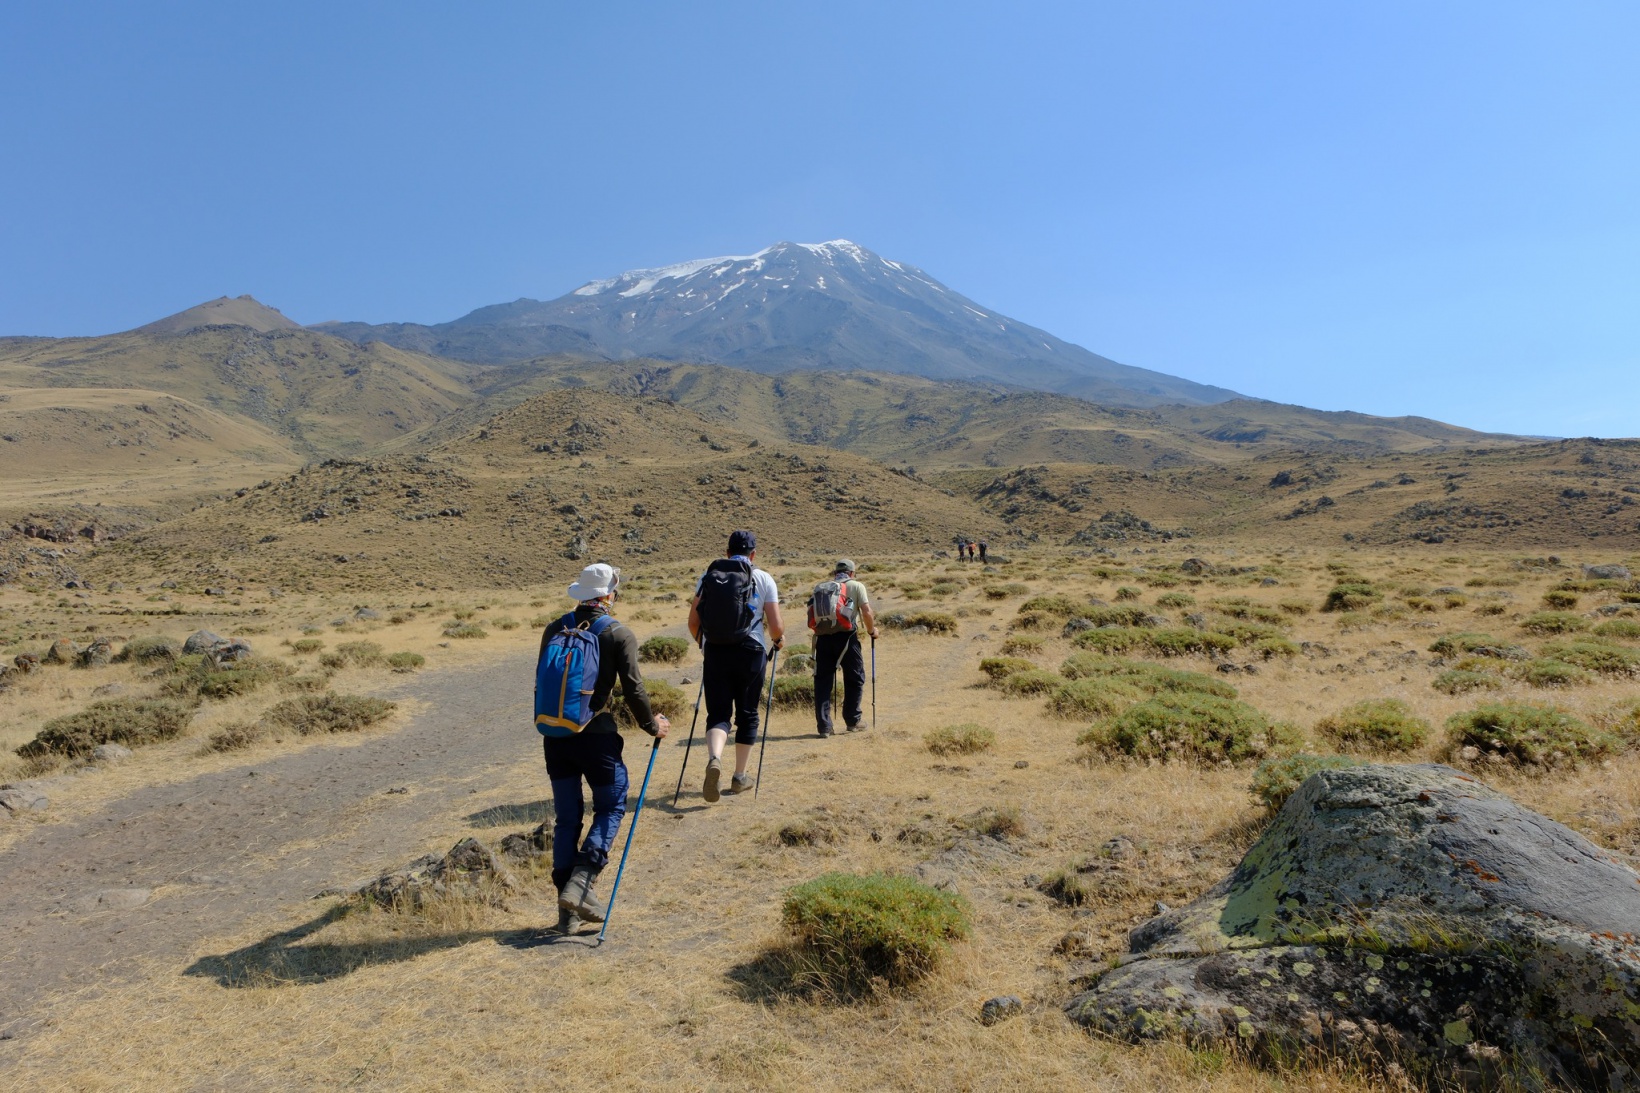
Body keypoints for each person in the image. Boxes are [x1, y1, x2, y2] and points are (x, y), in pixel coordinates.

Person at [536, 562, 670, 930]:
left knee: (567, 818)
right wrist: (651, 725)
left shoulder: (554, 627)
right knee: (611, 806)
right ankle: (583, 880)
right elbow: (633, 689)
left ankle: (566, 913)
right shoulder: (617, 633)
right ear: (608, 595)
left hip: (556, 735)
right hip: (597, 738)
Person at [688, 530, 783, 801]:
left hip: (716, 652)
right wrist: (779, 639)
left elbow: (693, 623)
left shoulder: (708, 578)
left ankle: (715, 758)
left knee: (718, 713)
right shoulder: (763, 578)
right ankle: (740, 776)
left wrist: (704, 645)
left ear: (727, 552)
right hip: (751, 652)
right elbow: (775, 626)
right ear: (753, 554)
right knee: (748, 714)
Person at [808, 558, 878, 737]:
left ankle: (824, 726)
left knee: (823, 681)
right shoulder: (856, 586)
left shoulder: (823, 587)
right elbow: (867, 612)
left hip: (823, 638)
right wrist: (872, 631)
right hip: (847, 638)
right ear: (852, 573)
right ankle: (853, 720)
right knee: (854, 678)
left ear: (835, 573)